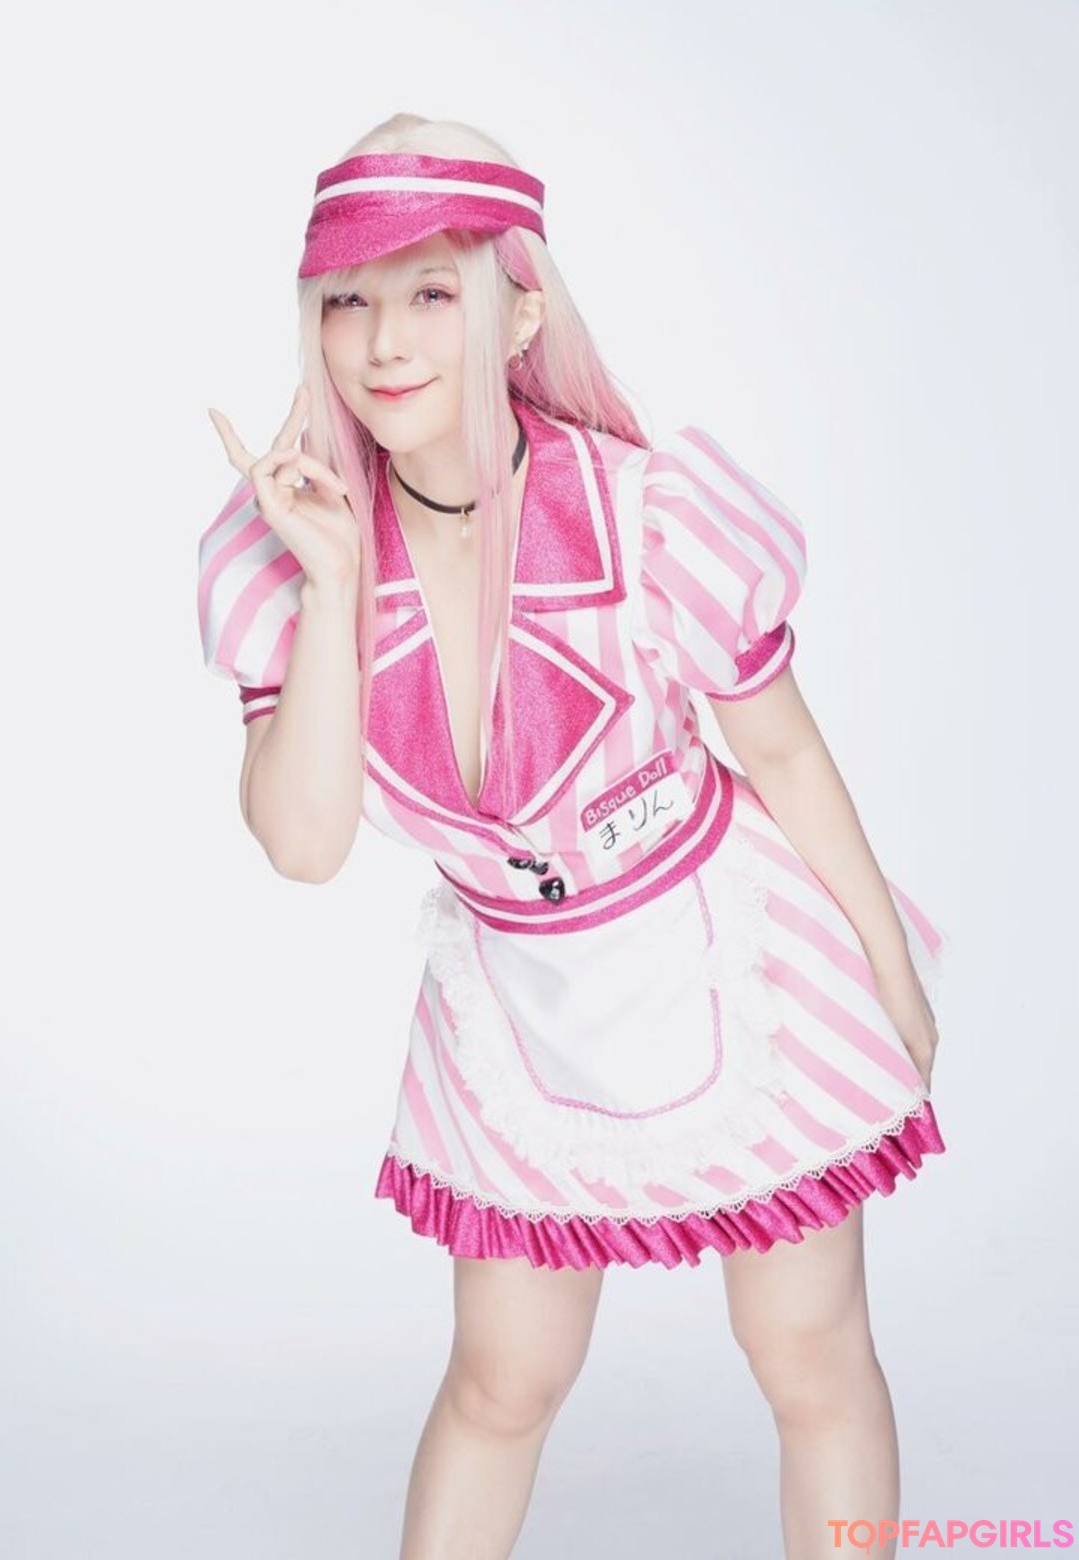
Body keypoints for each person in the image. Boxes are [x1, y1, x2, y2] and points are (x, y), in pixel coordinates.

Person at [197, 112, 949, 1560]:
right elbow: (303, 845)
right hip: (512, 985)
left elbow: (782, 748)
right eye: (347, 300)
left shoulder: (650, 514)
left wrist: (887, 965)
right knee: (502, 1382)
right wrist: (336, 582)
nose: (382, 343)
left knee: (806, 1354)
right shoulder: (285, 555)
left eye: (432, 291)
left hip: (729, 948)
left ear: (520, 308)